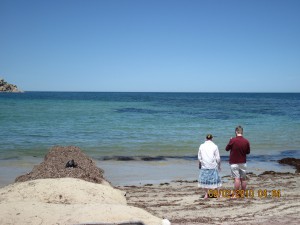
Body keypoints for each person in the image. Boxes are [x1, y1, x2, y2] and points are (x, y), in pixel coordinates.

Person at [226, 125, 250, 195]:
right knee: (243, 178)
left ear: (236, 132)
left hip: (234, 162)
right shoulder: (246, 141)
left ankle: (236, 193)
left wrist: (230, 141)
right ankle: (242, 193)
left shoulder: (233, 140)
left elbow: (227, 149)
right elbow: (248, 152)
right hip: (242, 162)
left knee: (237, 179)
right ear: (242, 132)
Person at [198, 134, 222, 199]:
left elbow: (199, 157)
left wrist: (200, 164)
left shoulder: (201, 146)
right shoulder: (215, 146)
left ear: (205, 138)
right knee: (216, 180)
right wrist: (219, 166)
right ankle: (217, 194)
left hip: (204, 166)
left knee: (205, 181)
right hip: (213, 166)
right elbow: (218, 158)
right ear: (212, 139)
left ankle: (206, 194)